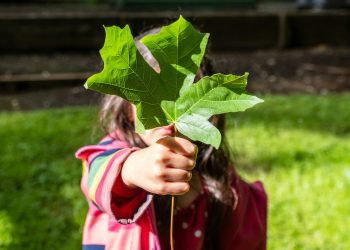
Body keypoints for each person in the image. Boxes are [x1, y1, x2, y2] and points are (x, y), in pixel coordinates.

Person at [75, 31, 267, 250]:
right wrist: (133, 169)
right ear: (127, 108)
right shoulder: (111, 152)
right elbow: (98, 176)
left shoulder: (220, 178)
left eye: (180, 98)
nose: (167, 112)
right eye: (151, 98)